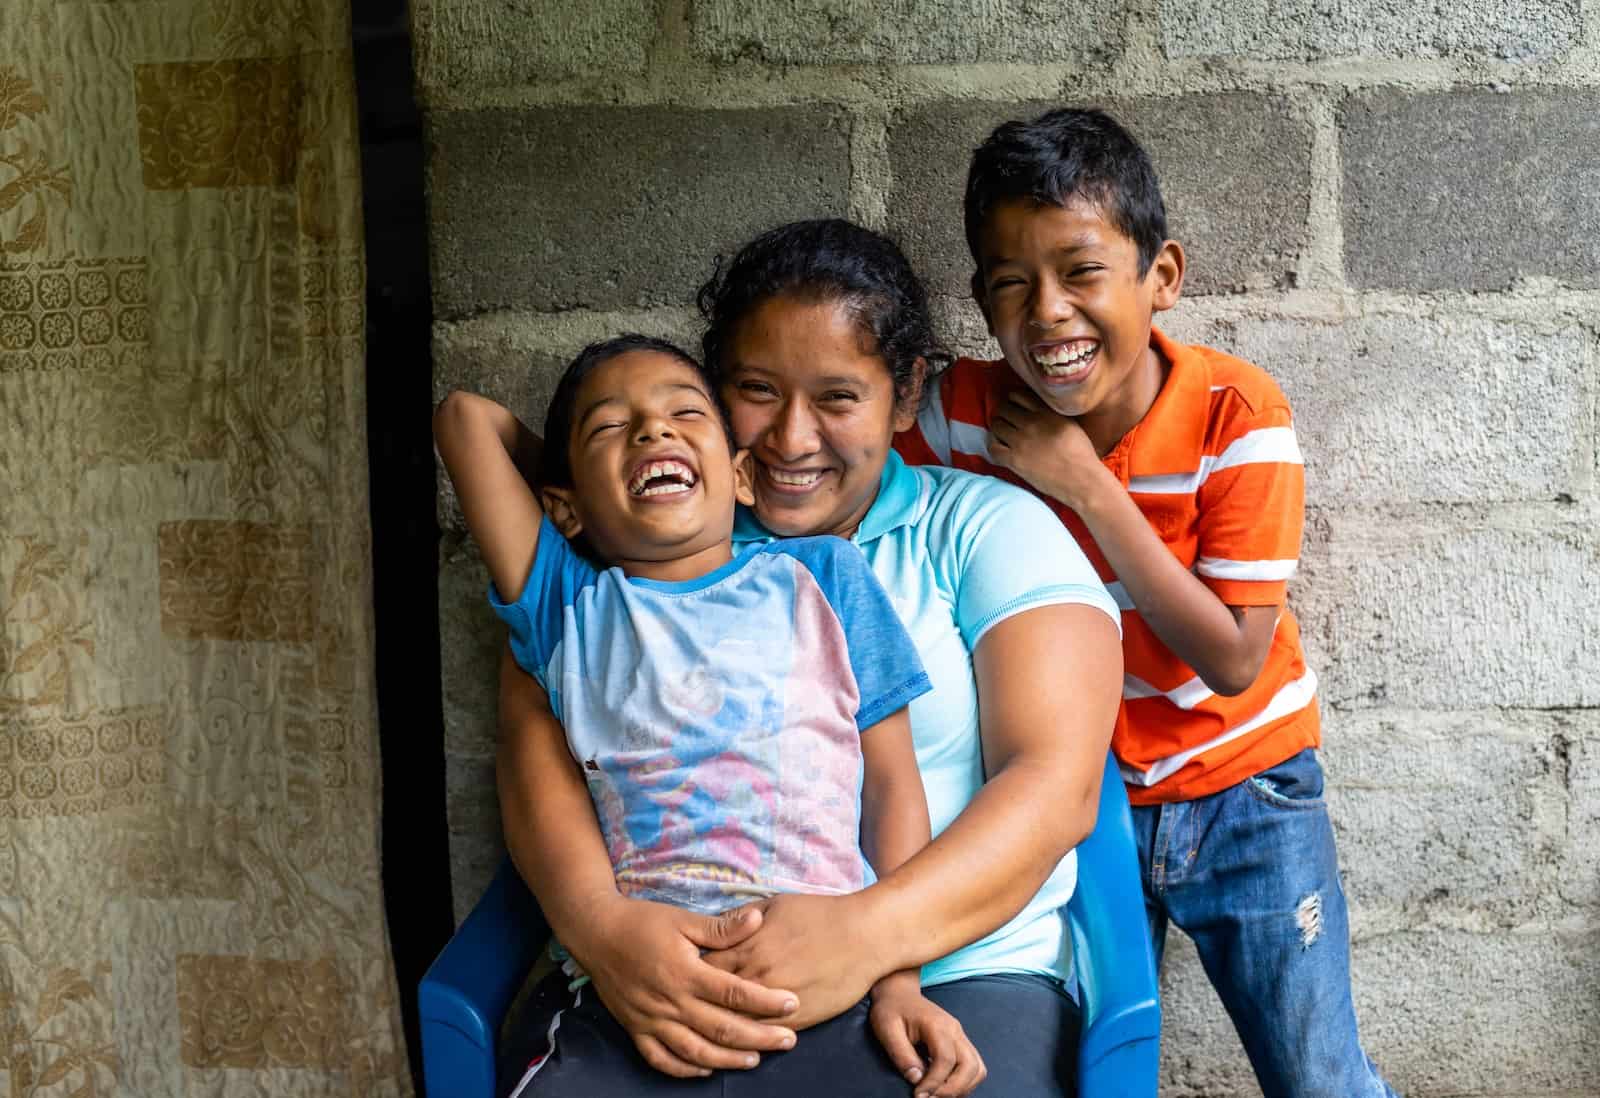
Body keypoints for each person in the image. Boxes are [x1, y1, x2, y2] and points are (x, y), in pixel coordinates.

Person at [494, 220, 1124, 1097]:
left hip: (954, 977)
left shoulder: (985, 531)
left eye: (837, 398)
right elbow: (536, 751)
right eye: (756, 390)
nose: (791, 439)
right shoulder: (657, 546)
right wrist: (604, 936)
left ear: (906, 396)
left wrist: (870, 940)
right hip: (668, 981)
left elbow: (1054, 786)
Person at [896, 106, 1398, 1097]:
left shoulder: (1235, 417)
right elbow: (834, 442)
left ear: (1159, 276)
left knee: (1315, 1072)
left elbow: (1231, 658)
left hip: (1245, 793)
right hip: (1082, 805)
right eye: (1011, 284)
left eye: (1081, 273)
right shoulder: (961, 412)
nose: (1047, 313)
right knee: (1095, 1055)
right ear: (982, 302)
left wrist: (1082, 482)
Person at [433, 333, 983, 1095]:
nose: (652, 431)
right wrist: (572, 495)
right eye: (611, 427)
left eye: (683, 414)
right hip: (639, 995)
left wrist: (898, 980)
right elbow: (465, 420)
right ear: (559, 505)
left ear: (741, 475)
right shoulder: (567, 605)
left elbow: (891, 785)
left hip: (825, 983)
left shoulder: (823, 575)